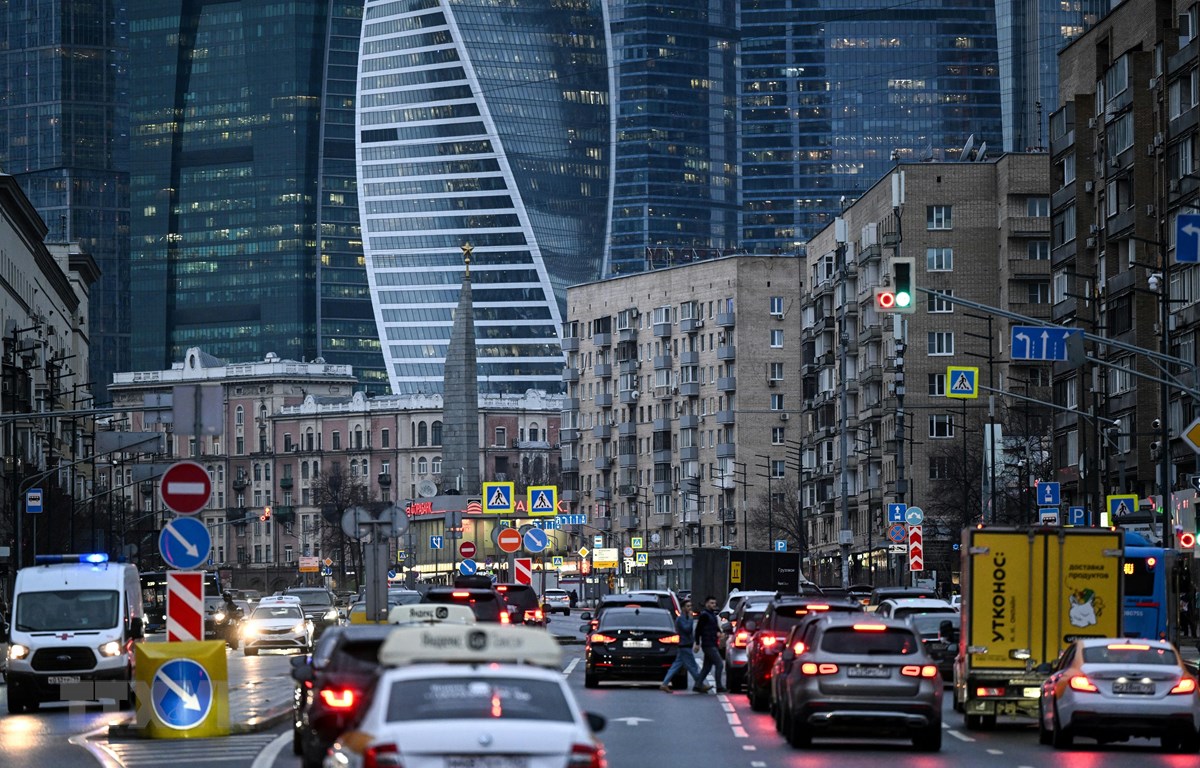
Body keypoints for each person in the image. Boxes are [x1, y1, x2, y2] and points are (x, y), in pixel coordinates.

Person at [659, 599, 707, 693]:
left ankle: (664, 684)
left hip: (685, 645)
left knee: (676, 666)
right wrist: (691, 619)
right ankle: (700, 684)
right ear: (683, 608)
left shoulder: (684, 617)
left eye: (690, 606)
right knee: (692, 666)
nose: (690, 608)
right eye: (688, 606)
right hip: (684, 646)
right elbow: (687, 629)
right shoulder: (681, 618)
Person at [694, 595, 726, 693]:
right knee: (719, 664)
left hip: (712, 643)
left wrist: (719, 633)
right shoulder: (704, 615)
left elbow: (715, 627)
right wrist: (697, 643)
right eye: (711, 603)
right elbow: (698, 630)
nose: (713, 605)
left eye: (714, 603)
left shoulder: (711, 614)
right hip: (708, 644)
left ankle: (698, 685)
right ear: (707, 603)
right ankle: (719, 686)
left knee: (707, 667)